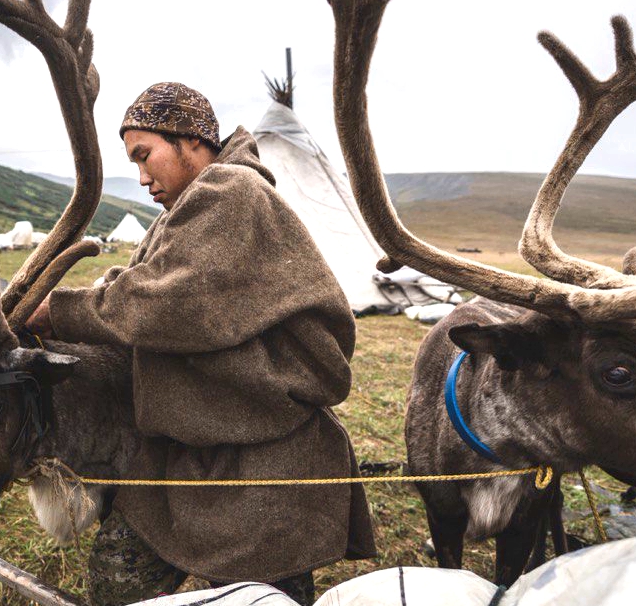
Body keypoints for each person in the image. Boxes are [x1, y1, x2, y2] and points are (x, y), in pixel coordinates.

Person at [27, 82, 375, 606]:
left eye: (146, 156)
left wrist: (62, 312)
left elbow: (169, 301)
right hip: (190, 457)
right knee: (117, 581)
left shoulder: (233, 192)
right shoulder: (185, 208)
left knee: (259, 597)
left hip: (262, 463)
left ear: (190, 140)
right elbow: (144, 278)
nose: (142, 177)